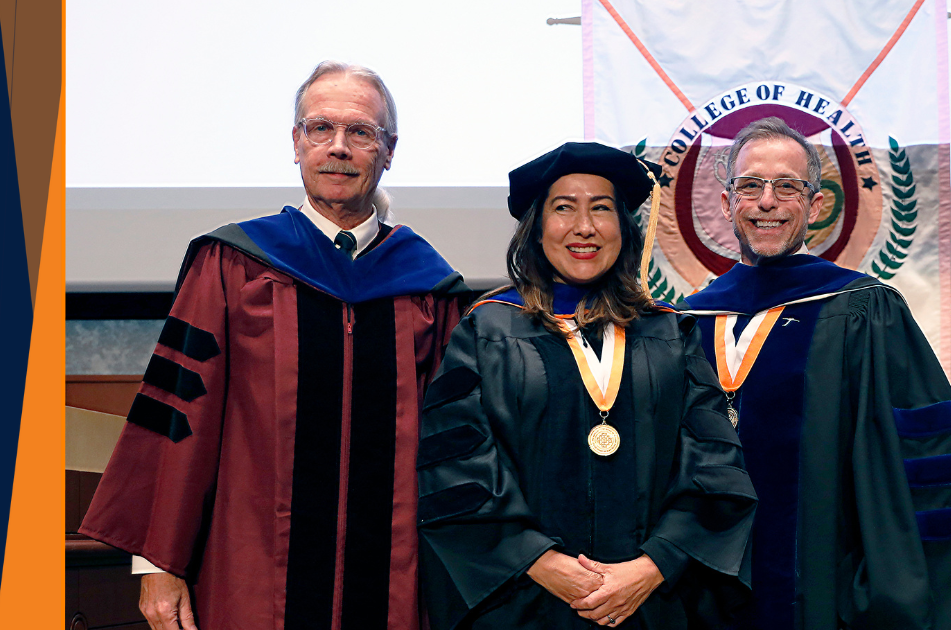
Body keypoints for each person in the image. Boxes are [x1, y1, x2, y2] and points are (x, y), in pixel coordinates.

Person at [79, 61, 469, 630]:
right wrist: (157, 562)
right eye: (320, 128)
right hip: (252, 572)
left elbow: (454, 448)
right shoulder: (233, 264)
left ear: (388, 152)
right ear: (296, 143)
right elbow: (180, 415)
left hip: (393, 579)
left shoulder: (429, 288)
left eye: (361, 132)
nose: (338, 147)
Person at [417, 142, 757, 629]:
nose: (584, 227)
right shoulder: (487, 330)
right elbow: (457, 467)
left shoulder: (668, 332)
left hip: (651, 603)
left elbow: (714, 464)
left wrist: (654, 565)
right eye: (563, 209)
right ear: (536, 228)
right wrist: (540, 562)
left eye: (601, 208)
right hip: (524, 601)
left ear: (624, 226)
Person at [682, 117, 951, 630]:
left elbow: (920, 466)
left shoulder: (867, 312)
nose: (768, 202)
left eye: (787, 186)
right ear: (726, 204)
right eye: (750, 186)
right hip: (697, 589)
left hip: (823, 588)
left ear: (816, 205)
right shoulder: (682, 323)